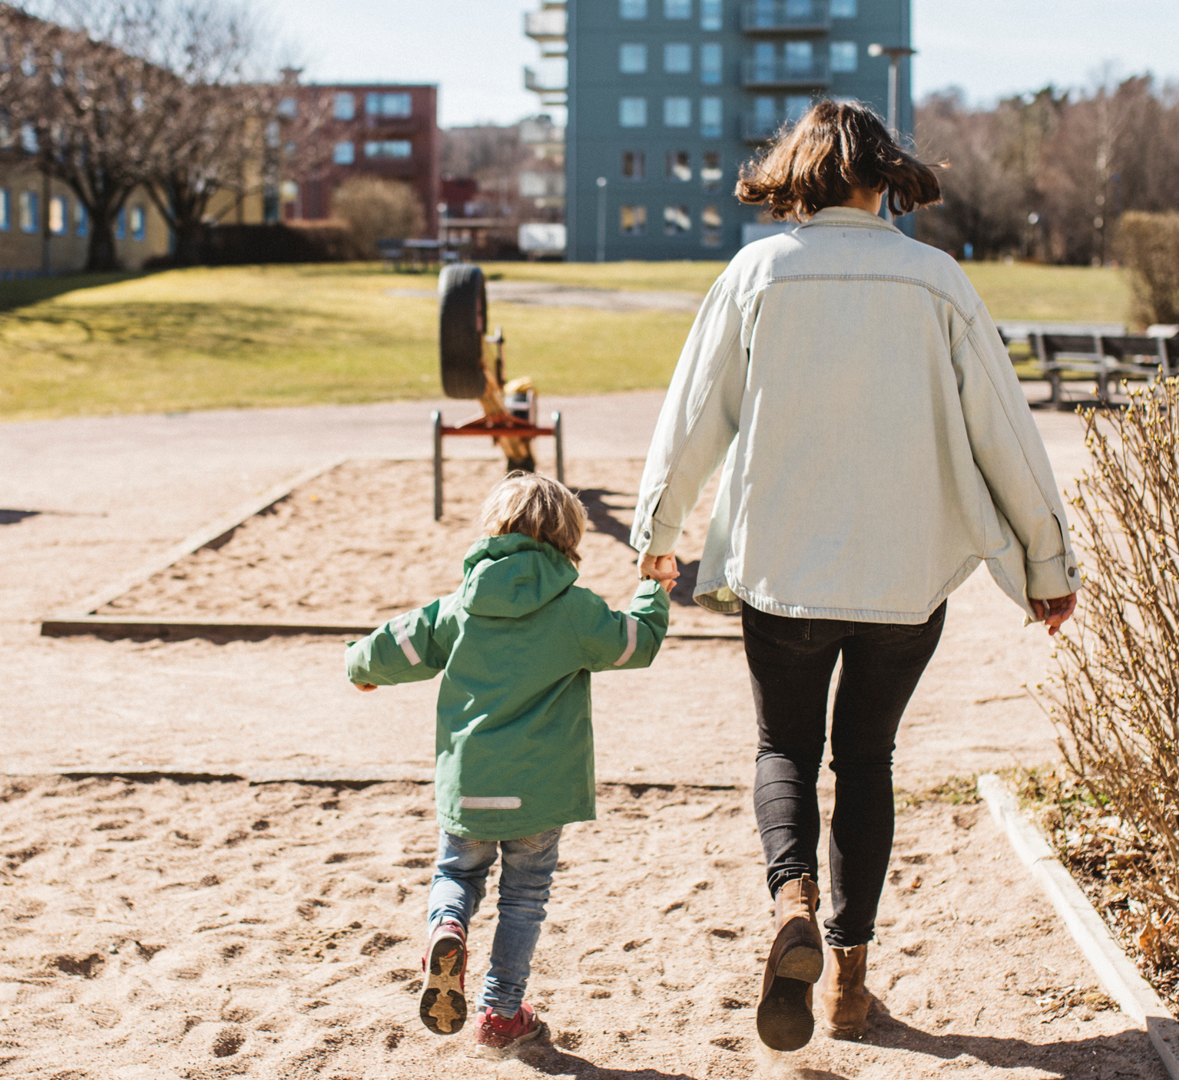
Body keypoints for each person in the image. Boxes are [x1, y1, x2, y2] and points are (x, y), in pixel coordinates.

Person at [629, 100, 1081, 1051]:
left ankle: (789, 902)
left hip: (783, 576)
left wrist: (658, 531)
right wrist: (1046, 559)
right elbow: (1004, 428)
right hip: (904, 579)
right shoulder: (937, 280)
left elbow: (694, 413)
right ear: (884, 179)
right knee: (864, 760)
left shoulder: (756, 274)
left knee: (783, 750)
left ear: (797, 176)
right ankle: (848, 981)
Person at [344, 472, 669, 1055]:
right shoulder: (575, 611)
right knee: (524, 897)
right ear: (568, 538)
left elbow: (392, 646)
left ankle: (447, 928)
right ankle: (499, 1012)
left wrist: (361, 667)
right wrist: (653, 587)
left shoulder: (459, 608)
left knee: (457, 876)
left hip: (470, 786)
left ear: (493, 530)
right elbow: (636, 643)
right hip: (540, 794)